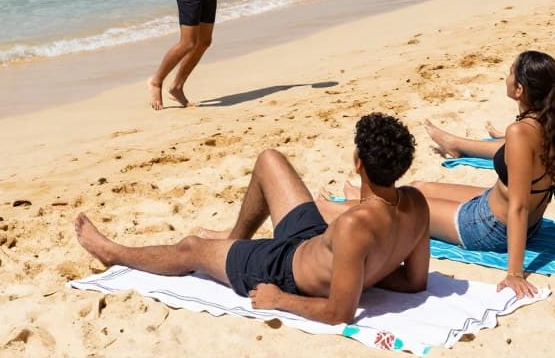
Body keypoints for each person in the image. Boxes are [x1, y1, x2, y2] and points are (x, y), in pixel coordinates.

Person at [319, 52, 555, 299]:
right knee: (419, 187)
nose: (505, 76)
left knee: (407, 211)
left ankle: (340, 207)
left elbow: (517, 206)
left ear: (519, 89)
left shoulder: (520, 132)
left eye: (509, 73)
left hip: (488, 228)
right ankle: (358, 197)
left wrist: (515, 272)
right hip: (509, 214)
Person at [73, 113, 432, 324]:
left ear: (358, 164)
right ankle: (235, 238)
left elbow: (340, 312)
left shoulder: (356, 225)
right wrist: (365, 273)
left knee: (192, 248)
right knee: (269, 160)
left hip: (282, 271)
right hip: (314, 241)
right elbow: (415, 282)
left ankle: (113, 253)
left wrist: (280, 300)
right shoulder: (416, 203)